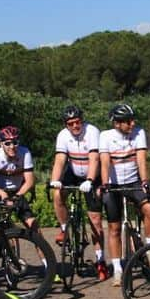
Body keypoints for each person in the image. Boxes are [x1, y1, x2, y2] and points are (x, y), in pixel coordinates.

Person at [99, 103, 150, 286]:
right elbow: (105, 162)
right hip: (114, 184)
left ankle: (149, 248)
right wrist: (105, 183)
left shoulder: (138, 133)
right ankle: (117, 268)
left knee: (149, 209)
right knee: (114, 228)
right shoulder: (106, 136)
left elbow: (141, 159)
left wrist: (145, 181)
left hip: (133, 182)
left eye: (133, 120)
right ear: (117, 123)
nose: (132, 124)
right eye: (127, 121)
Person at [48, 105, 103, 264]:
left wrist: (90, 180)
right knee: (58, 194)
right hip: (74, 171)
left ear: (82, 121)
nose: (75, 126)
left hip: (92, 174)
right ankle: (65, 228)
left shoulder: (92, 131)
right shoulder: (63, 135)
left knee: (95, 220)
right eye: (70, 123)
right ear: (66, 124)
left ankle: (100, 260)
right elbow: (60, 159)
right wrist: (54, 180)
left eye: (77, 122)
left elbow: (94, 158)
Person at [0, 125, 38, 230]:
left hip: (18, 191)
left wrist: (17, 196)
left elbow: (29, 181)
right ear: (1, 144)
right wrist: (1, 193)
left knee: (33, 225)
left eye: (15, 143)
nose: (12, 147)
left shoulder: (25, 153)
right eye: (7, 143)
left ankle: (41, 246)